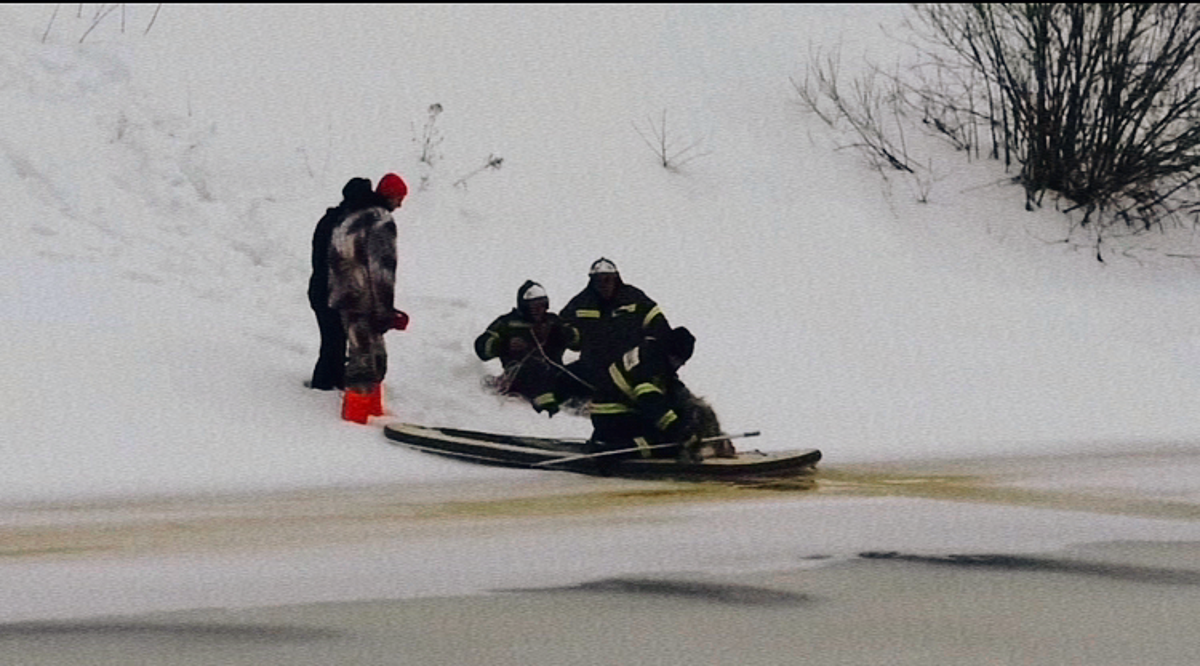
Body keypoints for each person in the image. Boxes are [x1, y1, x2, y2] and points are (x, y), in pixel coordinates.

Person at [327, 172, 410, 422]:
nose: (400, 204)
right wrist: (385, 311)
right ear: (390, 195)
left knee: (360, 355)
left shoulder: (350, 217)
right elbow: (381, 269)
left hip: (344, 297)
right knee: (369, 362)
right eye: (399, 198)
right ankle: (360, 416)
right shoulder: (381, 221)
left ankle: (366, 412)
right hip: (365, 300)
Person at [587, 326, 730, 464]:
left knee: (673, 426)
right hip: (613, 415)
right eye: (679, 361)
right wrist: (678, 430)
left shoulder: (654, 354)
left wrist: (704, 421)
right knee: (668, 443)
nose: (679, 365)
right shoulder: (649, 363)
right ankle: (615, 451)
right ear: (671, 353)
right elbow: (650, 401)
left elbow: (676, 393)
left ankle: (617, 442)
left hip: (621, 411)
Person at [559, 257, 672, 396]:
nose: (603, 284)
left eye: (607, 279)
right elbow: (564, 331)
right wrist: (569, 335)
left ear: (616, 278)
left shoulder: (634, 298)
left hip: (631, 367)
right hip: (593, 367)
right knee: (559, 380)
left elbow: (659, 326)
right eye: (598, 280)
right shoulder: (581, 303)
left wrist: (652, 352)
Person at [475, 280, 582, 416]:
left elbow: (578, 343)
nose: (539, 310)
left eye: (542, 305)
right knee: (536, 368)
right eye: (534, 306)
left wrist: (564, 334)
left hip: (555, 373)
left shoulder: (553, 321)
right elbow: (481, 347)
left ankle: (583, 406)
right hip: (520, 375)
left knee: (581, 369)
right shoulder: (507, 323)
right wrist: (504, 345)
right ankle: (549, 413)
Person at [308, 177, 376, 391]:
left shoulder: (331, 219)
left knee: (334, 340)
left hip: (321, 288)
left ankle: (333, 381)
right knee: (334, 342)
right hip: (329, 290)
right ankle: (323, 385)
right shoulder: (344, 225)